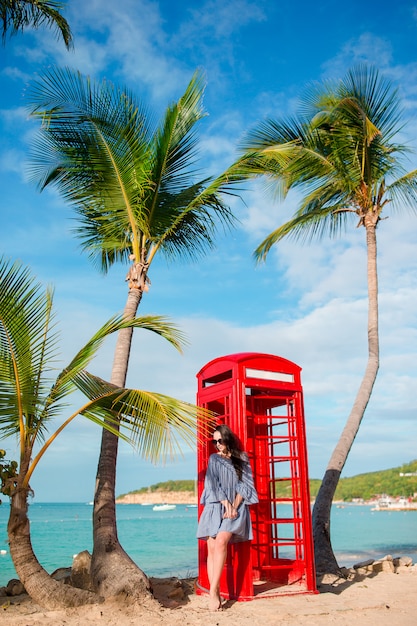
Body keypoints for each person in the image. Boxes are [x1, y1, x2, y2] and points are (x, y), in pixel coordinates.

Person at [196, 424, 258, 611]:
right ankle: (214, 593)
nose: (217, 444)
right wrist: (226, 504)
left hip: (236, 508)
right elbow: (212, 484)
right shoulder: (214, 458)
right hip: (216, 504)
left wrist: (235, 506)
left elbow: (246, 484)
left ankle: (213, 590)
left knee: (222, 541)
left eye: (220, 441)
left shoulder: (242, 458)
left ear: (227, 439)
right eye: (214, 442)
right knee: (212, 547)